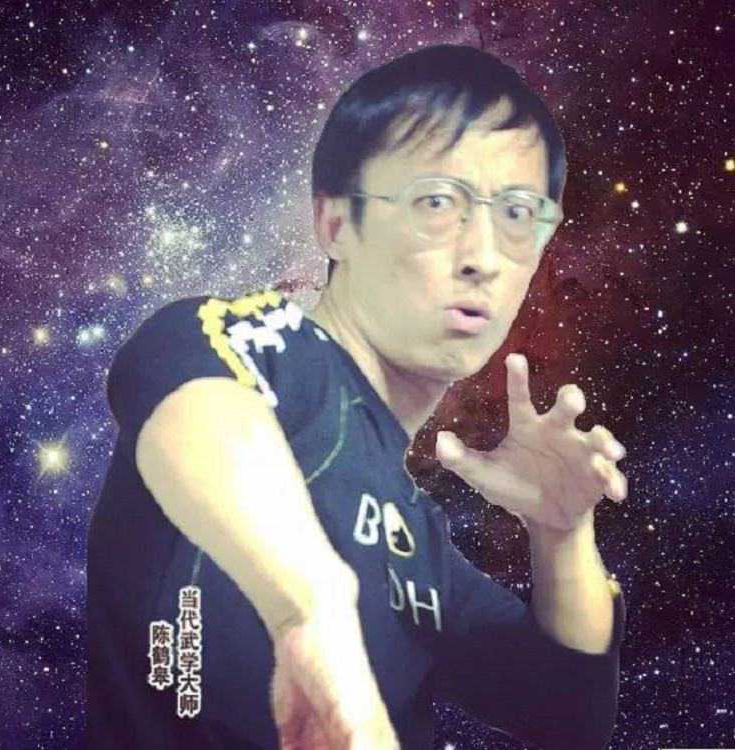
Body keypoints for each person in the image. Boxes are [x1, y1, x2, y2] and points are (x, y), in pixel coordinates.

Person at [87, 43, 628, 749]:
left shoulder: (415, 536)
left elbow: (573, 715)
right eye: (438, 202)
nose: (484, 257)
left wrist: (561, 535)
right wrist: (313, 612)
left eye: (520, 214)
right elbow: (197, 407)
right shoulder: (262, 346)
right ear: (336, 223)